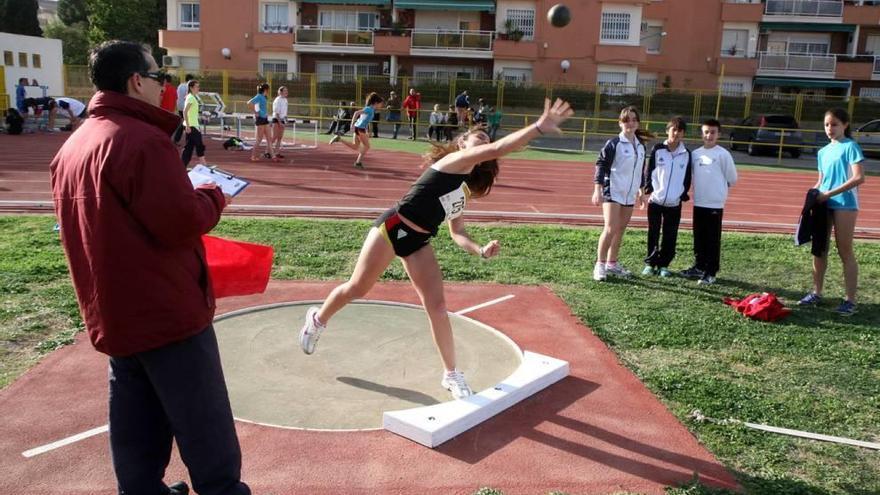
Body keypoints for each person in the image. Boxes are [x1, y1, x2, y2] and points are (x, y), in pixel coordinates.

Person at [49, 40, 250, 495]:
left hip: (115, 312)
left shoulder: (74, 146)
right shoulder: (141, 141)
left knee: (135, 417)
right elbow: (182, 222)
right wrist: (214, 194)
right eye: (159, 77)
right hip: (167, 312)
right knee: (205, 429)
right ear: (136, 80)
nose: (165, 86)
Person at [299, 98, 574, 399]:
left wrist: (480, 249)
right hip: (393, 228)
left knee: (437, 307)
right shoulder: (451, 163)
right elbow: (496, 149)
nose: (484, 141)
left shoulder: (464, 188)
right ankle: (317, 320)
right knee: (357, 288)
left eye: (486, 138)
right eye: (478, 138)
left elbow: (457, 232)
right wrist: (538, 127)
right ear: (462, 144)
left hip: (419, 241)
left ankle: (452, 374)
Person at [797, 108, 866, 316]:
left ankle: (850, 300)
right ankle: (816, 292)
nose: (830, 128)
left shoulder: (851, 147)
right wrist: (814, 193)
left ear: (845, 125)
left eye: (834, 124)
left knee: (845, 250)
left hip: (844, 203)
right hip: (823, 203)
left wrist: (828, 194)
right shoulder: (823, 152)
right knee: (819, 249)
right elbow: (821, 180)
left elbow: (858, 178)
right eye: (827, 124)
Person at [592, 106, 652, 281]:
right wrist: (597, 189)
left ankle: (612, 264)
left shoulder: (640, 146)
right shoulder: (614, 143)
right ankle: (600, 265)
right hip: (613, 191)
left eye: (633, 120)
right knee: (610, 229)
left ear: (638, 123)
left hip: (629, 194)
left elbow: (640, 171)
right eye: (626, 120)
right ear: (620, 123)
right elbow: (601, 165)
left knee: (620, 230)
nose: (630, 123)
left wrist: (641, 193)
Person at [681, 118, 738, 285]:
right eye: (706, 132)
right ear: (702, 134)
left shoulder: (723, 154)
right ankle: (699, 266)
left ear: (718, 134)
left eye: (713, 132)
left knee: (712, 239)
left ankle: (711, 271)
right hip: (699, 202)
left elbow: (732, 178)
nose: (709, 135)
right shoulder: (696, 154)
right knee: (699, 237)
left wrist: (718, 190)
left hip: (714, 204)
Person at [640, 116, 691, 277]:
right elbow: (650, 170)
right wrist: (649, 189)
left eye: (680, 131)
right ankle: (650, 263)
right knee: (653, 232)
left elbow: (687, 177)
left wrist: (682, 194)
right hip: (656, 200)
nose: (676, 133)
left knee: (670, 234)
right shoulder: (658, 149)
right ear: (667, 130)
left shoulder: (686, 154)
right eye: (673, 129)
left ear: (683, 134)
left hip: (674, 203)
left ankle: (664, 265)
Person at [330, 92, 384, 169]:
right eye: (380, 104)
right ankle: (358, 162)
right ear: (376, 103)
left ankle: (339, 139)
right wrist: (352, 124)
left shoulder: (370, 110)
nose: (381, 106)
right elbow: (356, 113)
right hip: (359, 128)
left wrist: (368, 131)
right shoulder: (369, 109)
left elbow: (364, 120)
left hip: (358, 128)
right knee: (367, 146)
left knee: (355, 146)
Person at [248, 83, 276, 161]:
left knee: (269, 139)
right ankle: (253, 156)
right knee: (259, 140)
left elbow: (261, 107)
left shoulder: (264, 97)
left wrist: (264, 113)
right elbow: (249, 103)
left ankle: (273, 156)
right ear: (266, 89)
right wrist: (255, 112)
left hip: (265, 119)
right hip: (260, 119)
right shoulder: (259, 96)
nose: (269, 91)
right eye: (268, 89)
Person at [182, 79, 206, 167]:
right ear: (191, 88)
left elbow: (191, 113)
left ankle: (182, 166)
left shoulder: (191, 97)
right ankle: (204, 165)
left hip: (192, 125)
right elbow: (185, 111)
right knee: (199, 145)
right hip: (192, 126)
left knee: (189, 148)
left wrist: (200, 117)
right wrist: (188, 126)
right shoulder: (191, 97)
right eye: (197, 87)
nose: (198, 88)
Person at [173, 74, 194, 145]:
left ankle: (178, 139)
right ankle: (184, 140)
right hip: (185, 106)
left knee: (184, 123)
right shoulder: (188, 87)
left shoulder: (180, 85)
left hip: (179, 105)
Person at [271, 86, 289, 159]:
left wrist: (285, 120)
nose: (287, 92)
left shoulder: (285, 100)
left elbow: (285, 112)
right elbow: (276, 113)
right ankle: (267, 151)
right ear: (280, 92)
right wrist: (279, 122)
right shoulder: (277, 100)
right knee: (274, 136)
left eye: (287, 91)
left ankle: (277, 152)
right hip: (276, 119)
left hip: (282, 119)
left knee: (280, 137)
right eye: (285, 91)